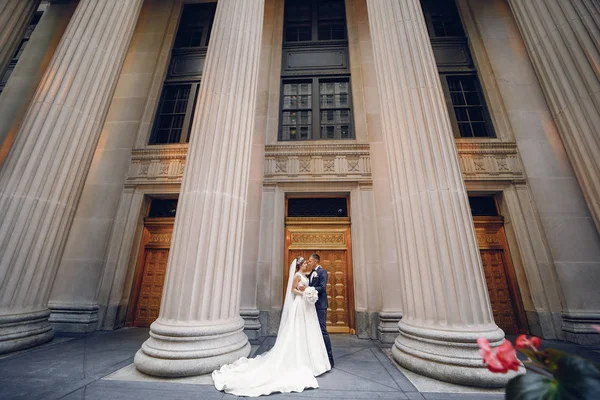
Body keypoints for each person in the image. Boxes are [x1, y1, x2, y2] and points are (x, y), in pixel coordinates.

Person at [212, 257, 331, 397]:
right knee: (298, 330)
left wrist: (309, 291)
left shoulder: (308, 275)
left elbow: (313, 285)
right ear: (299, 265)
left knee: (309, 330)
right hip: (300, 304)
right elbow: (293, 290)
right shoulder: (297, 276)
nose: (306, 264)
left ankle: (315, 359)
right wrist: (305, 293)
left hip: (307, 306)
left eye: (307, 262)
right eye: (304, 262)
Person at [305, 253, 334, 368]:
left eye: (310, 261)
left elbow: (322, 288)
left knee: (322, 330)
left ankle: (330, 359)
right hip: (312, 305)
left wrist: (308, 288)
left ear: (316, 261)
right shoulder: (312, 273)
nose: (309, 263)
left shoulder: (322, 272)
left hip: (320, 305)